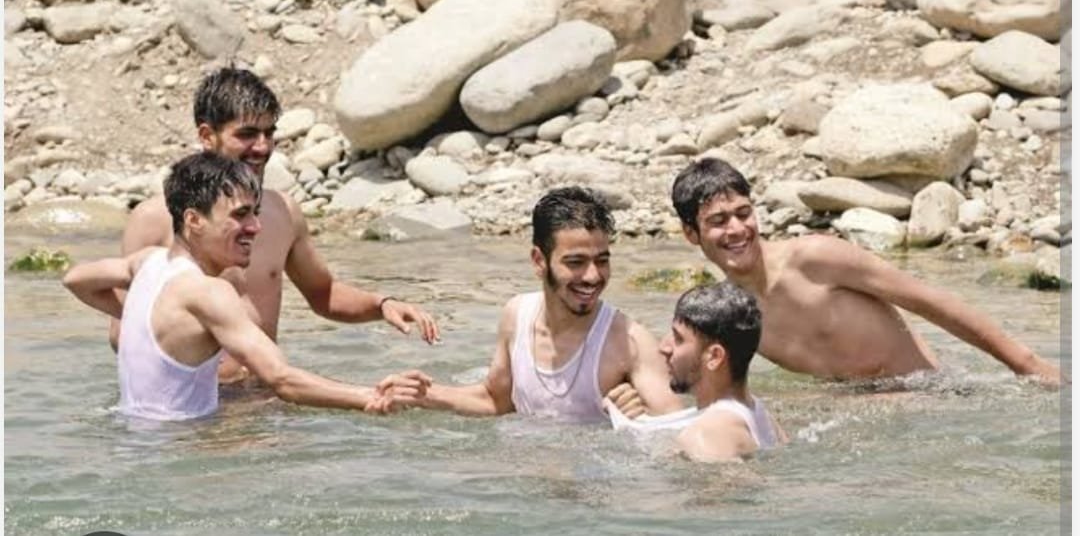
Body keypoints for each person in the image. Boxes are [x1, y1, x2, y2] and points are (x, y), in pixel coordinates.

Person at [113, 67, 438, 383]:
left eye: (269, 133)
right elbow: (121, 331)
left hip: (265, 395)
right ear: (207, 136)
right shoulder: (155, 219)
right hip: (194, 403)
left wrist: (382, 305)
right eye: (247, 134)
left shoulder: (282, 211)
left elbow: (324, 294)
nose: (262, 147)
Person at [65, 152, 430, 420]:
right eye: (240, 215)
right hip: (187, 457)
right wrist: (369, 396)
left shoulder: (147, 263)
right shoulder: (209, 292)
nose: (255, 227)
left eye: (255, 212)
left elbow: (76, 279)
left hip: (135, 440)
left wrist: (142, 317)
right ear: (193, 220)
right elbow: (281, 379)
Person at [667, 157, 1062, 384]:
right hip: (863, 430)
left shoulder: (815, 258)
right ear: (690, 233)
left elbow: (933, 303)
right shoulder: (734, 315)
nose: (737, 229)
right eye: (718, 221)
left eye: (743, 213)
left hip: (932, 397)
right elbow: (693, 373)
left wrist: (1027, 365)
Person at [382, 186, 686, 422]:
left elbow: (676, 430)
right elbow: (496, 400)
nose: (593, 276)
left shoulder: (629, 341)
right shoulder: (517, 315)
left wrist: (640, 417)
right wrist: (425, 396)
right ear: (539, 260)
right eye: (576, 262)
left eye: (602, 261)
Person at [659, 282, 784, 461]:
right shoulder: (763, 417)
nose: (664, 347)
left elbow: (725, 478)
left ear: (715, 356)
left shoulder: (706, 434)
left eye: (678, 338)